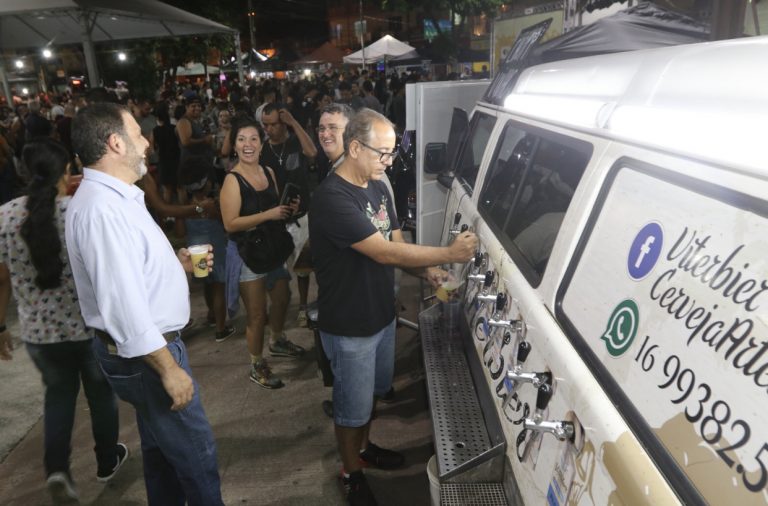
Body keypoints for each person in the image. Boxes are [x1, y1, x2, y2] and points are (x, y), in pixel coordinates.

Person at [309, 108, 477, 506]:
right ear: (354, 147)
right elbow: (383, 252)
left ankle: (364, 450)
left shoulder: (378, 185)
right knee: (350, 408)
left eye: (391, 153)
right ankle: (351, 472)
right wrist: (450, 251)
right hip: (351, 324)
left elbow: (397, 243)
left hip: (382, 314)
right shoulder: (332, 198)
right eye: (382, 153)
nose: (388, 161)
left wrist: (431, 271)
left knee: (369, 396)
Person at [65, 103, 224, 506]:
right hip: (149, 355)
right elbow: (122, 306)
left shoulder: (116, 198)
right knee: (196, 455)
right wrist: (169, 369)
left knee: (161, 456)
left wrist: (173, 267)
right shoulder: (103, 209)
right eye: (138, 134)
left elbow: (129, 274)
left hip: (146, 352)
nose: (147, 142)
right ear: (115, 143)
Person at [0, 138, 127, 505]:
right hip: (87, 327)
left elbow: (2, 278)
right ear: (68, 170)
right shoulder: (78, 210)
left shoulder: (6, 216)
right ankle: (107, 460)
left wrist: (0, 326)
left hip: (40, 335)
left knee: (58, 399)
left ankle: (58, 470)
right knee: (101, 395)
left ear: (24, 172)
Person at [220, 118, 305, 389]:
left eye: (253, 139)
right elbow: (229, 223)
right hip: (248, 255)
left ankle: (277, 340)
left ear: (261, 142)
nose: (248, 144)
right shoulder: (232, 180)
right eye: (242, 139)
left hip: (272, 248)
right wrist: (268, 214)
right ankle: (256, 365)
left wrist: (288, 208)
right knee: (257, 314)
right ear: (234, 146)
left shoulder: (268, 171)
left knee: (282, 297)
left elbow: (276, 210)